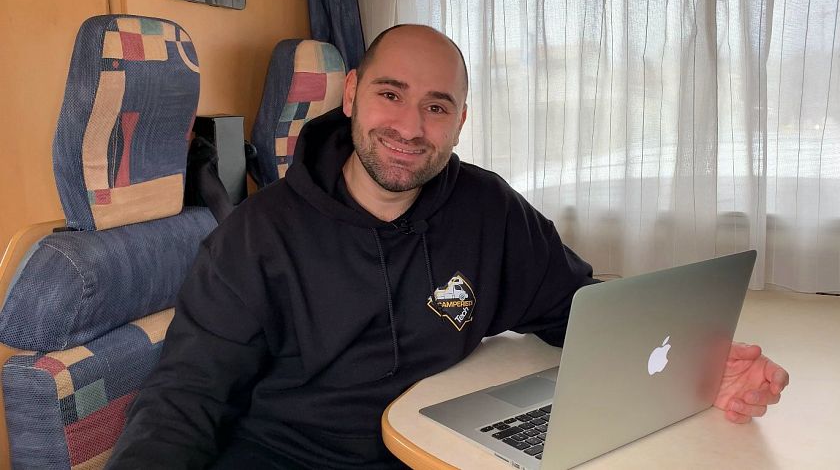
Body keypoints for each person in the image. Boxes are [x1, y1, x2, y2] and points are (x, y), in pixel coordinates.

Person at [107, 24, 789, 469]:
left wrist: (701, 363)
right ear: (352, 95)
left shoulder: (486, 209)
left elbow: (577, 309)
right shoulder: (257, 236)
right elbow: (184, 396)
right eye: (391, 94)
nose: (411, 127)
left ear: (461, 120)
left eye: (436, 106)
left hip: (435, 451)